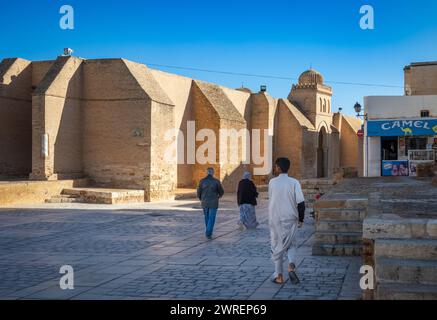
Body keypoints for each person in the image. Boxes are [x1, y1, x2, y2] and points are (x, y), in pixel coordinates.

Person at [269, 158, 305, 285]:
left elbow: (272, 201)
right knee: (291, 245)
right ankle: (291, 265)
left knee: (277, 247)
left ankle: (279, 276)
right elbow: (301, 203)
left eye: (275, 166)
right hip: (291, 218)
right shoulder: (294, 182)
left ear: (278, 167)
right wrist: (301, 219)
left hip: (276, 219)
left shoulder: (272, 182)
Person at [197, 167, 224, 240]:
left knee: (207, 217)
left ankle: (208, 231)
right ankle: (208, 232)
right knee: (211, 218)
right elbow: (221, 191)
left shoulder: (202, 181)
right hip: (213, 202)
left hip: (204, 201)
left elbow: (198, 191)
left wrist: (201, 198)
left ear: (207, 172)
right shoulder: (216, 181)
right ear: (213, 173)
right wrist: (219, 196)